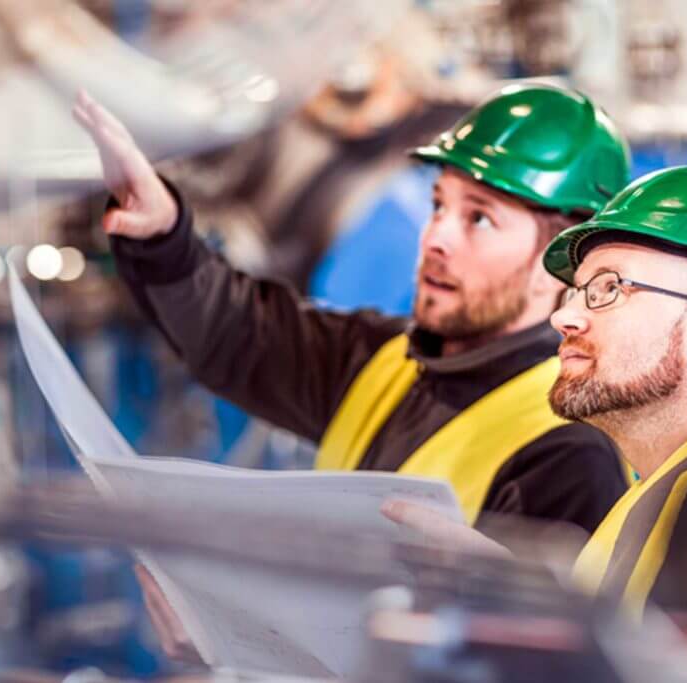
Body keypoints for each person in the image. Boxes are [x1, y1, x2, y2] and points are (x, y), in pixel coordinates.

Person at [73, 82, 632, 530]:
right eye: (439, 204)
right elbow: (231, 330)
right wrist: (162, 235)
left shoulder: (570, 453)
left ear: (562, 258)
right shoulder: (381, 361)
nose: (436, 236)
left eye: (478, 218)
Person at [385, 165, 687, 635]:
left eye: (609, 289)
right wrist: (512, 590)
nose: (565, 318)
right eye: (574, 292)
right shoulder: (682, 484)